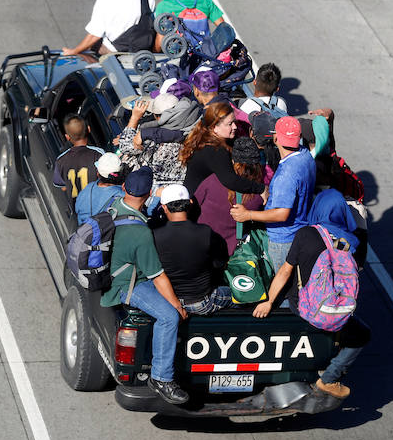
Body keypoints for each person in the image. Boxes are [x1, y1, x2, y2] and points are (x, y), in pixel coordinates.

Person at [251, 188, 370, 399]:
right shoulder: (352, 243)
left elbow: (285, 271)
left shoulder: (306, 234)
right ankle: (330, 379)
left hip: (302, 306)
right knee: (362, 334)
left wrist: (269, 301)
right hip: (336, 310)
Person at [98, 167, 190, 405]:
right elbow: (158, 276)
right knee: (169, 317)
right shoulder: (141, 234)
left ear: (125, 188)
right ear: (149, 193)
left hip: (111, 275)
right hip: (127, 285)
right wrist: (177, 306)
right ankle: (161, 378)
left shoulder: (113, 205)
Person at [230, 116, 315, 273]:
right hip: (299, 229)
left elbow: (282, 213)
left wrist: (247, 214)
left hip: (282, 239)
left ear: (275, 138)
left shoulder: (286, 174)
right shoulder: (306, 156)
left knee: (281, 287)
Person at [152, 185, 232, 315]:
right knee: (238, 294)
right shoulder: (205, 232)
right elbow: (219, 263)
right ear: (190, 203)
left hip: (166, 302)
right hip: (200, 303)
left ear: (164, 207)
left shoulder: (154, 235)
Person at [195, 137, 267, 255]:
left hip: (203, 246)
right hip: (233, 253)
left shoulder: (212, 180)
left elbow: (195, 204)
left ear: (233, 161)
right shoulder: (259, 197)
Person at [179, 102, 265, 199]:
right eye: (230, 124)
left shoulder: (205, 138)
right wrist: (261, 189)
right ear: (214, 127)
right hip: (195, 201)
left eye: (234, 122)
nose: (235, 127)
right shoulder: (215, 149)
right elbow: (230, 180)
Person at [52, 114, 104, 204]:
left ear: (67, 137)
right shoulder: (99, 154)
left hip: (79, 210)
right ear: (88, 129)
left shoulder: (61, 160)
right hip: (98, 206)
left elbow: (62, 186)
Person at [75, 152, 125, 223]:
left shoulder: (89, 188)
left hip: (84, 231)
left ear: (98, 174)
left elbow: (77, 209)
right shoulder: (122, 195)